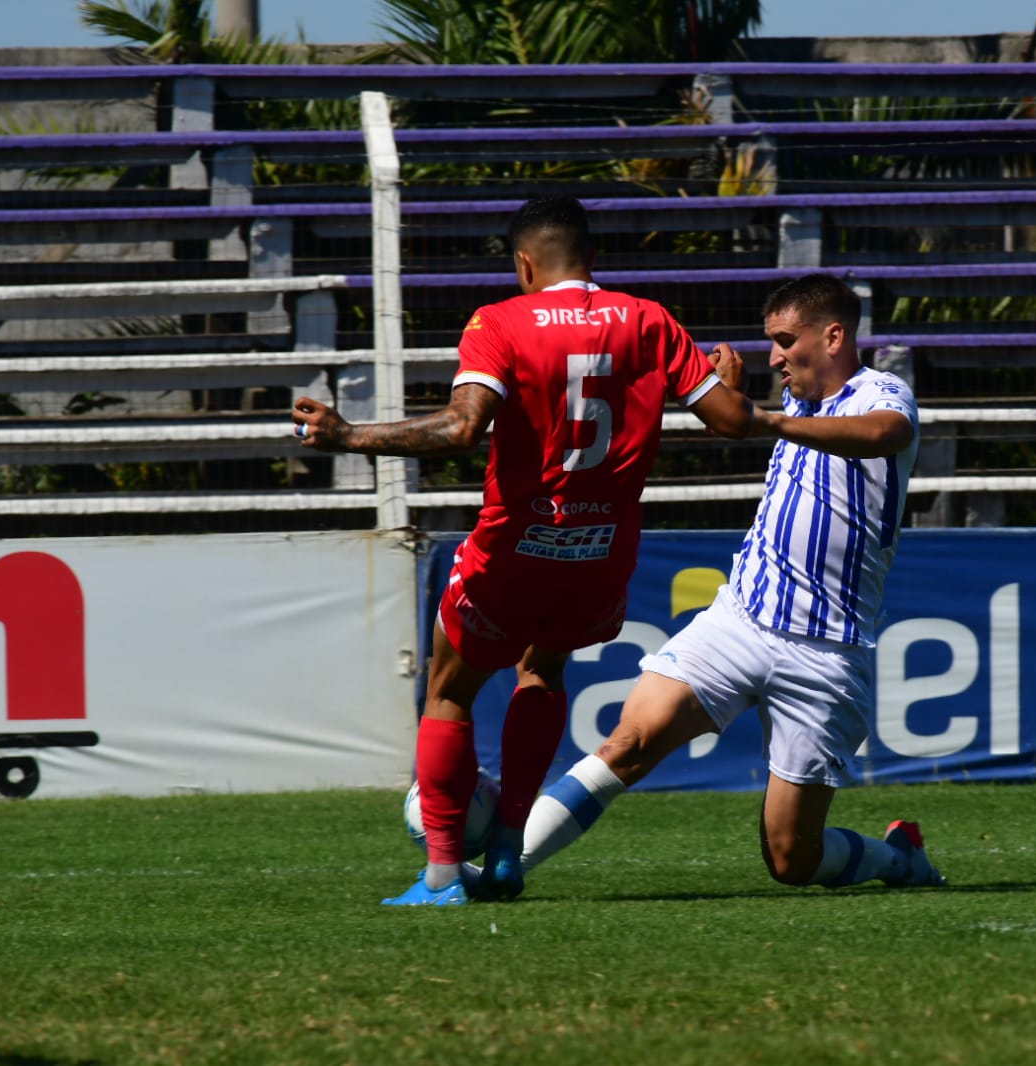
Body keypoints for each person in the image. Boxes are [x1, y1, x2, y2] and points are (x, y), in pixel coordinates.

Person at [291, 195, 755, 906]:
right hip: (600, 552)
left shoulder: (499, 322)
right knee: (541, 674)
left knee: (449, 690)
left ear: (523, 265)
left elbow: (459, 430)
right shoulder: (649, 319)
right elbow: (729, 421)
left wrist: (348, 436)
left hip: (514, 547)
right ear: (592, 260)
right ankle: (506, 854)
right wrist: (730, 382)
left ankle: (444, 875)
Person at [513, 273, 946, 897]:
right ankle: (498, 870)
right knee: (627, 743)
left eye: (784, 340)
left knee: (792, 859)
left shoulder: (879, 392)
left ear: (833, 335)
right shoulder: (793, 405)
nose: (775, 355)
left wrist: (764, 418)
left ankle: (899, 858)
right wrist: (726, 398)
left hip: (825, 651)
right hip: (738, 620)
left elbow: (887, 435)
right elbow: (743, 421)